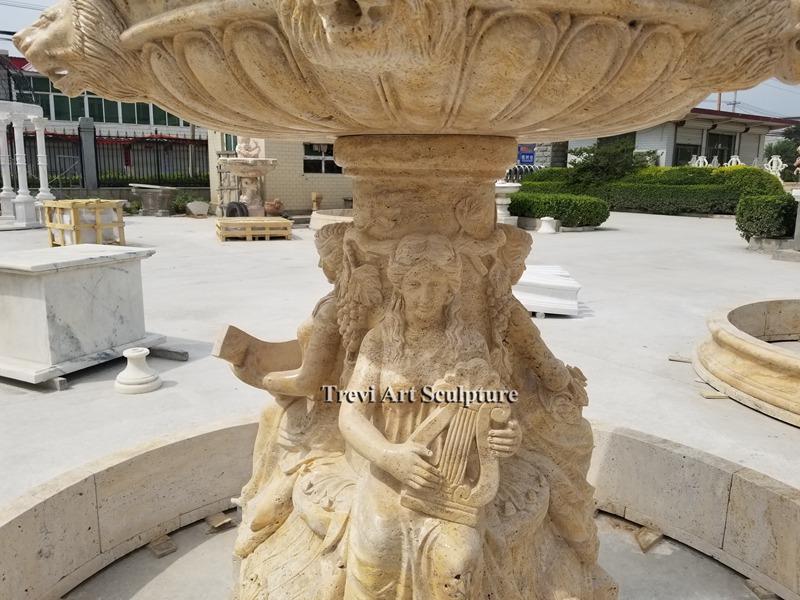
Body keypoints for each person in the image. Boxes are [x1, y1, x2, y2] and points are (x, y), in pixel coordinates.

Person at [339, 233, 521, 599]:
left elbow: (495, 408)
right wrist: (391, 457)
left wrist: (509, 433)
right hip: (389, 474)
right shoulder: (379, 341)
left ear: (450, 291)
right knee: (378, 547)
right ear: (401, 286)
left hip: (453, 482)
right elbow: (350, 415)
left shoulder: (468, 343)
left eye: (435, 285)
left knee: (456, 565)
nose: (425, 296)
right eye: (415, 284)